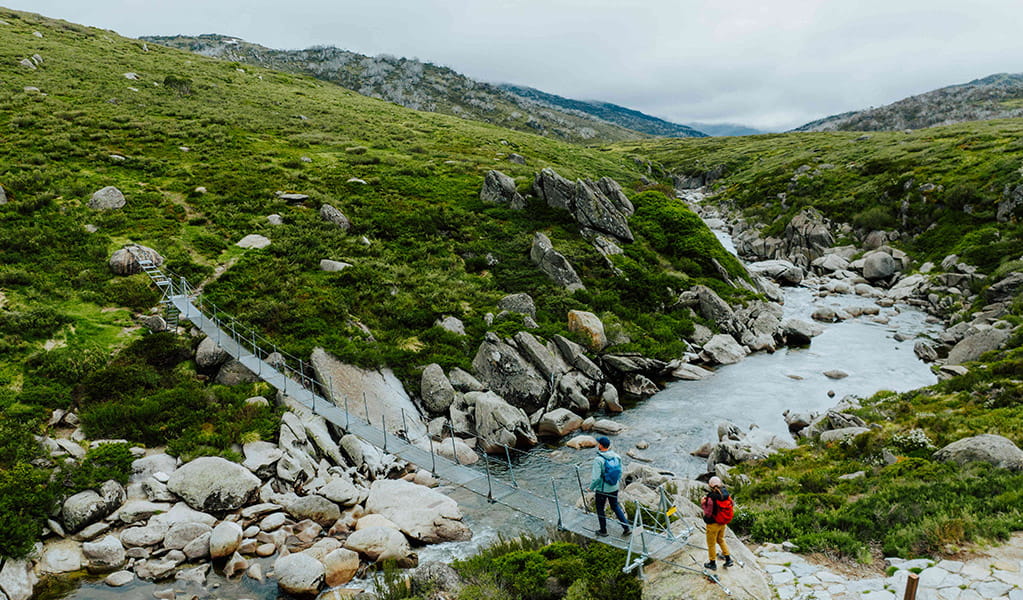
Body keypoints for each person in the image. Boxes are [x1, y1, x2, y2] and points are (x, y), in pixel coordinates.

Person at [589, 436, 630, 537]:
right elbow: (620, 472)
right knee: (615, 506)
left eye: (599, 443)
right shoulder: (616, 456)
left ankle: (603, 531)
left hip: (602, 490)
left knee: (600, 508)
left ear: (601, 446)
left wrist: (591, 488)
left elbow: (596, 478)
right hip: (614, 487)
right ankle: (626, 528)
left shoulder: (598, 460)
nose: (598, 445)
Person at [701, 476, 734, 570]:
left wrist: (703, 503)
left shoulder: (711, 497)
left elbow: (708, 512)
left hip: (713, 524)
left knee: (711, 544)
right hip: (722, 522)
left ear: (710, 486)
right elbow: (732, 504)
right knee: (721, 540)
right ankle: (728, 559)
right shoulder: (726, 494)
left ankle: (712, 563)